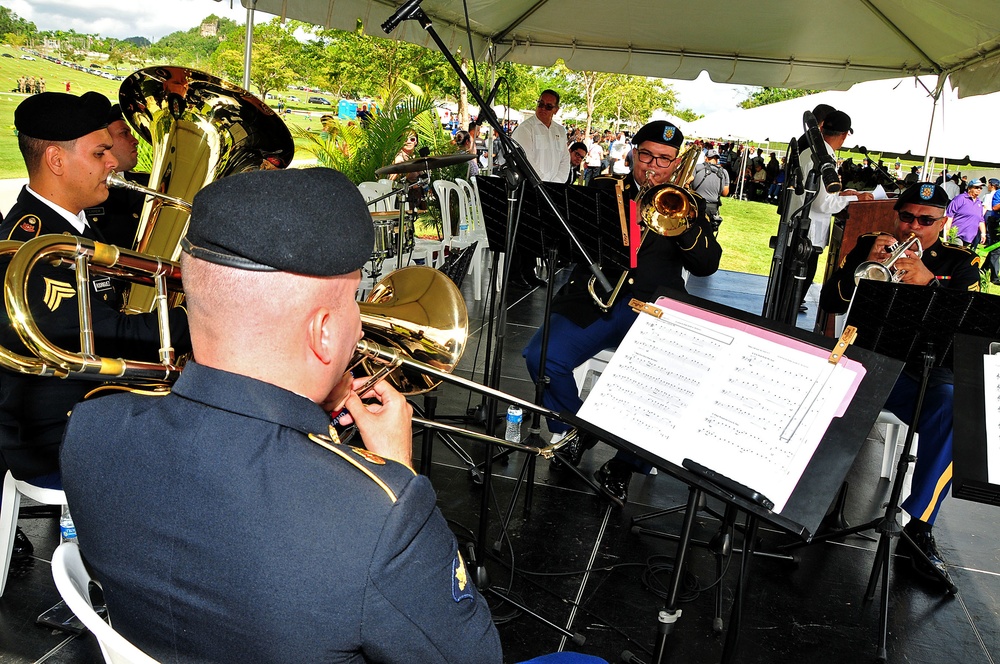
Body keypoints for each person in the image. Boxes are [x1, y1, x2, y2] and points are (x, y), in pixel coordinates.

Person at [60, 168, 504, 663]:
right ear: (323, 333)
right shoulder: (384, 513)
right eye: (356, 301)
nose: (361, 324)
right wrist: (395, 474)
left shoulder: (91, 428)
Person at [0, 92, 189, 558]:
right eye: (100, 153)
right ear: (56, 160)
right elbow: (102, 336)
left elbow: (118, 316)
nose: (114, 164)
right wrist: (204, 316)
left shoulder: (81, 228)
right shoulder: (30, 246)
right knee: (203, 449)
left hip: (89, 407)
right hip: (51, 430)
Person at [523, 120, 722, 504]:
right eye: (646, 154)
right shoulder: (603, 190)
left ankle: (625, 463)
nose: (653, 166)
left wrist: (681, 224)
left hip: (653, 308)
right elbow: (567, 241)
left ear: (676, 163)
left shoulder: (689, 204)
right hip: (594, 299)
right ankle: (579, 428)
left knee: (662, 382)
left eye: (664, 160)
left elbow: (706, 265)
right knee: (541, 356)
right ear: (633, 152)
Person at [819, 182, 979, 589]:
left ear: (942, 223)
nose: (914, 226)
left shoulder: (960, 263)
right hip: (869, 361)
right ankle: (814, 500)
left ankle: (918, 525)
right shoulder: (874, 244)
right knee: (825, 386)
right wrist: (864, 265)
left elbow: (969, 328)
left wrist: (929, 284)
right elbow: (832, 302)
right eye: (906, 216)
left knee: (959, 410)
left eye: (926, 221)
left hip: (927, 371)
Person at [788, 109, 874, 313]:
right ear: (845, 135)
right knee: (797, 285)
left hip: (803, 230)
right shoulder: (822, 157)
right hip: (807, 234)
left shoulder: (812, 151)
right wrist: (855, 198)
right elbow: (822, 204)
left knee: (794, 285)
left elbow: (820, 196)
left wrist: (844, 195)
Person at [510, 89, 570, 286]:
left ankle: (529, 272)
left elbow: (565, 160)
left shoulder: (560, 131)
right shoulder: (525, 129)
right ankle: (516, 275)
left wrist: (557, 185)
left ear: (556, 109)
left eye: (548, 106)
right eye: (540, 103)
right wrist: (542, 184)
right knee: (524, 232)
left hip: (552, 189)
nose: (543, 108)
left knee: (538, 233)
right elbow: (525, 161)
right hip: (530, 187)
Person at [83, 102, 147, 248]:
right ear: (104, 140)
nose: (135, 140)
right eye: (124, 133)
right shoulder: (86, 190)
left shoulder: (153, 182)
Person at [687, 148, 729, 232]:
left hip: (696, 204)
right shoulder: (724, 172)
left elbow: (687, 182)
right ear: (717, 160)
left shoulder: (697, 167)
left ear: (706, 158)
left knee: (692, 232)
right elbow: (725, 192)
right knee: (708, 234)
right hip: (712, 208)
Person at [943, 179, 986, 249]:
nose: (979, 189)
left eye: (980, 188)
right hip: (957, 234)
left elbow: (981, 220)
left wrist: (983, 233)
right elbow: (949, 215)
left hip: (969, 237)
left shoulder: (979, 203)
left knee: (961, 257)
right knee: (956, 254)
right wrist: (947, 231)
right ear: (969, 188)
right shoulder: (960, 199)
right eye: (976, 187)